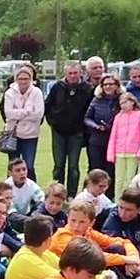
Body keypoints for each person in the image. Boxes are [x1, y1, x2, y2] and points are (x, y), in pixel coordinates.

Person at [45, 62, 94, 192]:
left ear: (80, 73)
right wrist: (52, 122)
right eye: (70, 73)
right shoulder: (57, 87)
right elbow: (48, 106)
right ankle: (58, 192)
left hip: (76, 133)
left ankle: (72, 193)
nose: (73, 76)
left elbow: (90, 109)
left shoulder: (88, 89)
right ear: (65, 73)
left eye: (75, 73)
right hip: (58, 132)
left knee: (73, 166)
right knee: (59, 165)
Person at [84, 74, 122, 195]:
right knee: (96, 168)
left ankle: (109, 195)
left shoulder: (122, 100)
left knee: (111, 170)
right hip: (97, 139)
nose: (108, 86)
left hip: (114, 140)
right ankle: (92, 193)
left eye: (111, 84)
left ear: (116, 85)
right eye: (105, 84)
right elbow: (87, 118)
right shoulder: (97, 99)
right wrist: (95, 126)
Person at [2, 64, 43, 174]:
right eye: (21, 79)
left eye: (26, 78)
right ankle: (10, 190)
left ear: (31, 79)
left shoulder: (37, 92)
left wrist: (18, 113)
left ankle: (30, 189)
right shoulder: (9, 93)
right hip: (13, 134)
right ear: (16, 79)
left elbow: (38, 114)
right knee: (13, 165)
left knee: (28, 165)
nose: (23, 81)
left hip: (31, 135)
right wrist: (27, 111)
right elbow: (9, 113)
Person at [107, 92, 140, 186]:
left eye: (125, 102)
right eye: (121, 103)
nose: (123, 105)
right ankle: (118, 199)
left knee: (130, 179)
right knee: (119, 179)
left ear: (132, 102)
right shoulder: (118, 117)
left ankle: (129, 199)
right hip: (119, 152)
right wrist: (111, 153)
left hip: (133, 152)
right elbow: (113, 135)